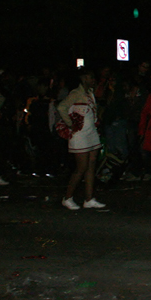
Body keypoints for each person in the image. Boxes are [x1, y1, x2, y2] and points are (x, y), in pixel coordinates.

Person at [57, 67, 105, 210]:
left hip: (91, 132)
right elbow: (61, 107)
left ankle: (89, 199)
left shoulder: (89, 93)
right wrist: (70, 124)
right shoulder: (76, 93)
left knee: (91, 165)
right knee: (81, 167)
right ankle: (67, 197)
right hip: (80, 134)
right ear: (83, 78)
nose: (93, 80)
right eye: (90, 77)